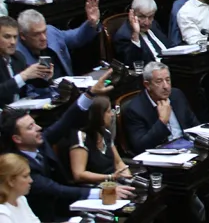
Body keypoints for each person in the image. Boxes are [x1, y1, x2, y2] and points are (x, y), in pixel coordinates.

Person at [1, 74, 132, 221]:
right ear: (17, 138)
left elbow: (66, 120)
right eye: (30, 127)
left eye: (35, 123)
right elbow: (56, 189)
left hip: (66, 205)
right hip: (48, 216)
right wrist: (101, 192)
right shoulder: (16, 166)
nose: (38, 128)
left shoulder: (40, 141)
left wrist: (90, 94)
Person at [122, 62, 201, 154]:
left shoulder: (176, 95)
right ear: (147, 85)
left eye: (168, 80)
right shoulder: (134, 109)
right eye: (159, 81)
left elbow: (194, 125)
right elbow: (141, 147)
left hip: (189, 149)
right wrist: (162, 121)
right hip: (162, 156)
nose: (166, 86)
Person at [16, 0, 100, 84]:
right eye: (36, 34)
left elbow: (76, 37)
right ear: (23, 36)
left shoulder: (51, 32)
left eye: (44, 31)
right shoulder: (16, 55)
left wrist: (91, 23)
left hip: (67, 88)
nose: (44, 38)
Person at [68, 94, 128, 184]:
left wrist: (128, 178)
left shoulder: (105, 133)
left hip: (112, 183)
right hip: (93, 187)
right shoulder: (81, 137)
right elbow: (79, 174)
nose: (112, 114)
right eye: (108, 111)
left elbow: (118, 162)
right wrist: (110, 177)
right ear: (97, 115)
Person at [0, 16, 46, 106]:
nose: (13, 42)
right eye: (7, 37)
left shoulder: (18, 57)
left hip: (21, 111)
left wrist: (44, 75)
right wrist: (24, 75)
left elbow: (34, 82)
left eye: (15, 37)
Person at [112, 0, 168, 66]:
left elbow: (168, 46)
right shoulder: (123, 36)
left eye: (150, 17)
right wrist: (135, 34)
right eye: (142, 16)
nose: (147, 22)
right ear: (132, 14)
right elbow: (134, 63)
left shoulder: (154, 24)